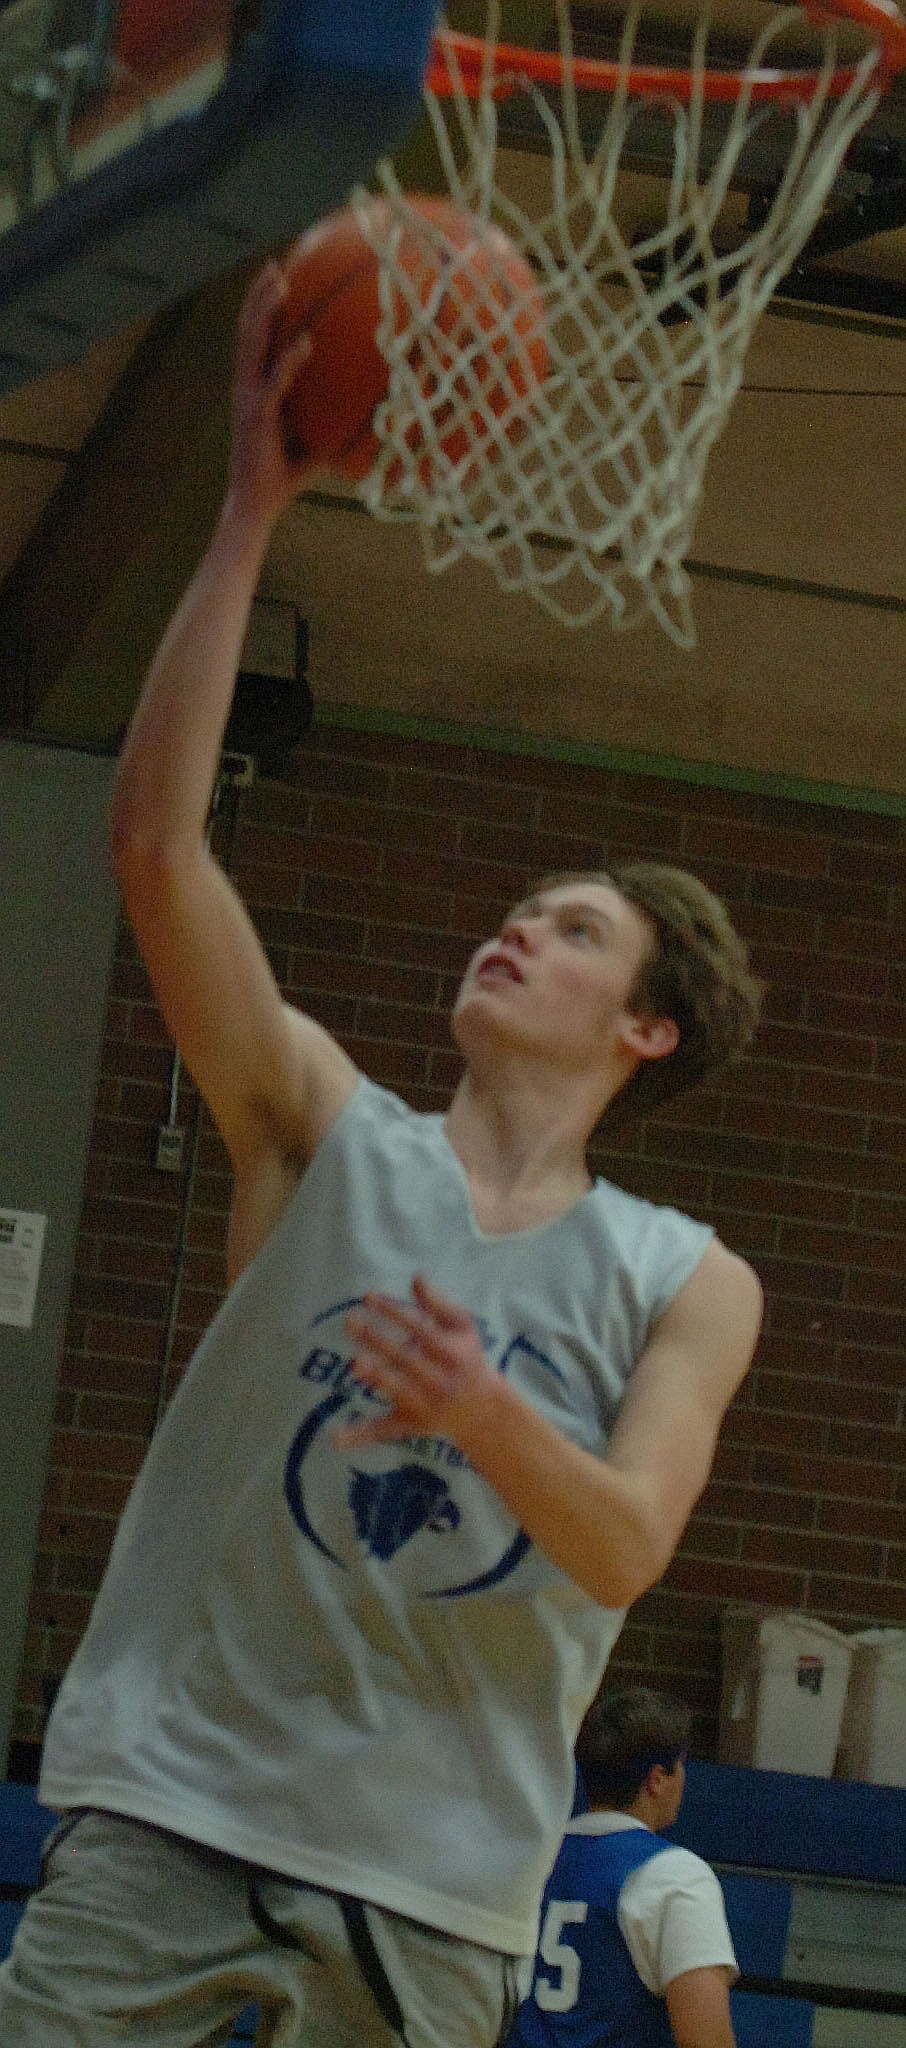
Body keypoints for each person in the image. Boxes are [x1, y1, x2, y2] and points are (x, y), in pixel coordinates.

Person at [0, 250, 763, 2048]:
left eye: (573, 929)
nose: (519, 931)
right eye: (516, 908)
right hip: (178, 1806)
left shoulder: (687, 1275)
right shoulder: (324, 1122)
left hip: (434, 1884)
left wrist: (480, 1410)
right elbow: (155, 855)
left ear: (645, 1028)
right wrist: (251, 508)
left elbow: (628, 1542)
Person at [508, 1687, 739, 2048]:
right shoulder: (675, 1874)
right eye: (681, 1765)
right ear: (657, 1780)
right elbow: (705, 2039)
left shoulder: (526, 1862)